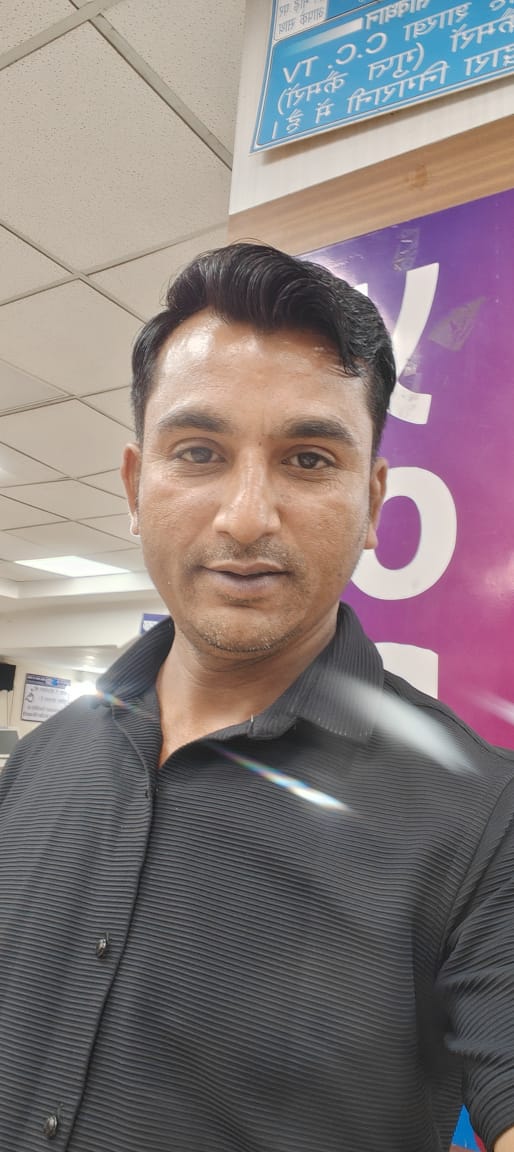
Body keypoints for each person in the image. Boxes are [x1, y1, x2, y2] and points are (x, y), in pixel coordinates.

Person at [1, 242, 513, 1152]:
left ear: (373, 504)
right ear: (136, 486)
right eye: (199, 452)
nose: (245, 517)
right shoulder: (42, 759)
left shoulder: (486, 820)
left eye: (308, 459)